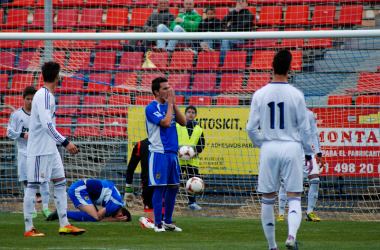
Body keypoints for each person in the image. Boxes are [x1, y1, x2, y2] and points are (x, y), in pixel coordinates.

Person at [246, 50, 314, 250]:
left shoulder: (259, 94)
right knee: (294, 196)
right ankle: (291, 236)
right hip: (292, 148)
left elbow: (250, 127)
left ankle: (271, 245)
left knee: (268, 198)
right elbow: (304, 128)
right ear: (290, 69)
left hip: (269, 147)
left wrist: (262, 143)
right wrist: (309, 153)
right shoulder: (296, 95)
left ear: (271, 67)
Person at [23, 62, 84, 237]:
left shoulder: (46, 95)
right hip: (39, 150)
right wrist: (66, 142)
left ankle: (64, 224)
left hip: (51, 149)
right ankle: (29, 228)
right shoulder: (44, 95)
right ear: (58, 77)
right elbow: (46, 124)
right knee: (33, 185)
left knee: (60, 182)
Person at [145, 77, 186, 232]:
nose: (169, 91)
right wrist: (170, 105)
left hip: (172, 154)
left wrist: (173, 105)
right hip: (159, 153)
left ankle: (168, 221)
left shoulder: (170, 106)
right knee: (160, 188)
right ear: (156, 92)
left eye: (169, 88)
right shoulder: (151, 107)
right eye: (164, 89)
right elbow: (166, 123)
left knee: (174, 187)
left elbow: (183, 122)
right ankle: (158, 224)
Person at [7, 86, 51, 219]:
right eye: (28, 99)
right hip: (24, 152)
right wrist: (22, 134)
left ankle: (46, 208)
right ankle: (31, 209)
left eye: (33, 99)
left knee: (43, 180)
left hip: (39, 151)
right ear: (23, 99)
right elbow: (9, 132)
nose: (30, 102)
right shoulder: (17, 115)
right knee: (27, 181)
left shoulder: (40, 115)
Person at [277, 109, 323, 222]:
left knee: (315, 180)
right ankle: (281, 214)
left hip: (307, 154)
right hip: (291, 153)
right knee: (284, 183)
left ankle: (310, 212)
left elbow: (314, 134)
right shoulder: (286, 114)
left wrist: (319, 153)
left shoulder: (309, 115)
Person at [47, 179, 131, 222]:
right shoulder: (115, 205)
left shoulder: (118, 202)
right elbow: (98, 217)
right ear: (120, 214)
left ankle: (61, 213)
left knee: (93, 215)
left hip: (81, 189)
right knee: (94, 217)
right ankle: (61, 213)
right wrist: (115, 220)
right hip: (79, 189)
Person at [176, 105, 205, 210]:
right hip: (178, 160)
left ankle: (192, 202)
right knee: (174, 181)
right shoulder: (177, 126)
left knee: (193, 183)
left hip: (192, 161)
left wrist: (195, 153)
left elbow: (202, 145)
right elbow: (172, 140)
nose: (190, 114)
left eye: (193, 112)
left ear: (195, 115)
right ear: (185, 113)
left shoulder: (199, 129)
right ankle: (168, 200)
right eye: (188, 112)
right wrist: (177, 151)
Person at [124, 138, 157, 228]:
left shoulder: (141, 144)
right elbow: (131, 168)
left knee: (157, 222)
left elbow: (130, 169)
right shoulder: (141, 145)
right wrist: (128, 189)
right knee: (153, 223)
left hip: (150, 183)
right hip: (157, 183)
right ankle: (148, 221)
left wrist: (128, 189)